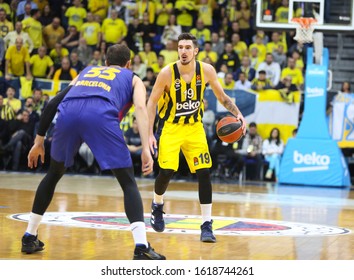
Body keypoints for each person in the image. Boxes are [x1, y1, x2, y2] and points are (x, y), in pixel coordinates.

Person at [21, 43, 166, 260]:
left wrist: (39, 141)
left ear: (106, 63)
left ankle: (29, 236)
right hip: (100, 112)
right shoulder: (133, 77)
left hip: (68, 112)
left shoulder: (86, 71)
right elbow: (141, 109)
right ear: (128, 64)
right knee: (127, 182)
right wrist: (146, 147)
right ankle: (141, 246)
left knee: (53, 174)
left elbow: (53, 103)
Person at [146, 33, 246, 242]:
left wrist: (237, 113)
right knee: (167, 171)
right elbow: (151, 103)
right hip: (171, 128)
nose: (183, 51)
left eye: (187, 47)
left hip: (194, 128)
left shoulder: (207, 71)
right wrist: (148, 133)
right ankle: (157, 204)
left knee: (204, 172)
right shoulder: (166, 73)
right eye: (180, 47)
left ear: (195, 51)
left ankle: (207, 224)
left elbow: (223, 98)